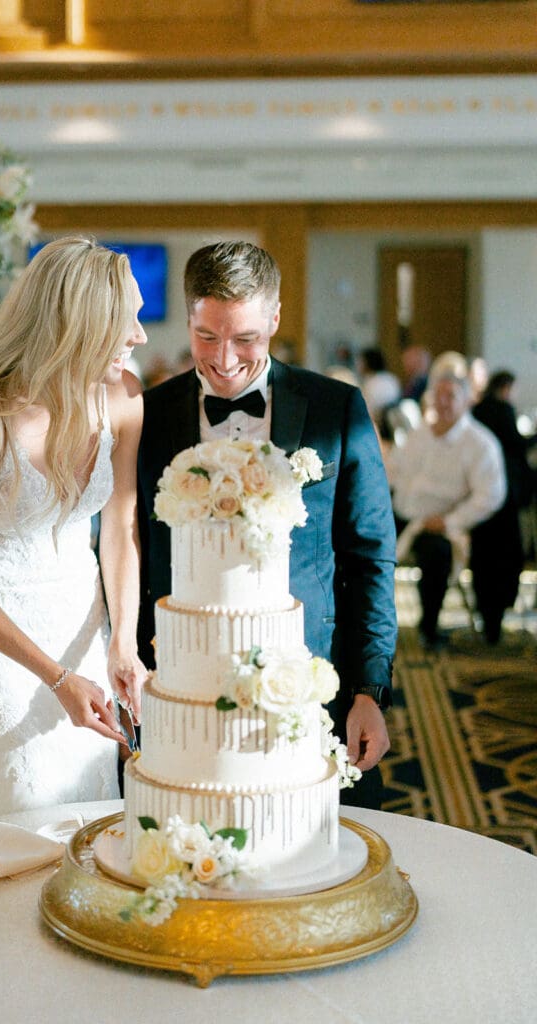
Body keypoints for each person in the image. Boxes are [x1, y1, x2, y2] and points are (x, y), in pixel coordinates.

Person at [137, 241, 397, 810]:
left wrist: (368, 689)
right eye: (207, 336)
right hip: (181, 684)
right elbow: (128, 551)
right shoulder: (147, 418)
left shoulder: (337, 410)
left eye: (245, 338)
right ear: (188, 319)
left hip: (305, 675)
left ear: (275, 318)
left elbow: (370, 559)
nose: (224, 360)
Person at [0, 236, 149, 837]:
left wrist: (122, 641)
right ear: (78, 327)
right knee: (19, 819)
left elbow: (119, 527)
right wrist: (57, 678)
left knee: (90, 812)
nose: (141, 337)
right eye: (127, 322)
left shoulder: (123, 397)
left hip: (82, 625)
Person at [389, 367, 507, 650]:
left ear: (466, 401)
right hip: (403, 514)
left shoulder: (480, 443)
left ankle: (428, 627)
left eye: (450, 396)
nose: (442, 402)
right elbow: (393, 471)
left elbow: (491, 495)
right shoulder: (420, 434)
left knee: (436, 553)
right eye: (437, 395)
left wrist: (450, 521)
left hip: (444, 523)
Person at [471, 369, 534, 643]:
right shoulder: (502, 410)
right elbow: (517, 445)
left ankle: (488, 615)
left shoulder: (477, 410)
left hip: (480, 490)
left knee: (486, 554)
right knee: (506, 552)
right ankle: (496, 615)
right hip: (504, 492)